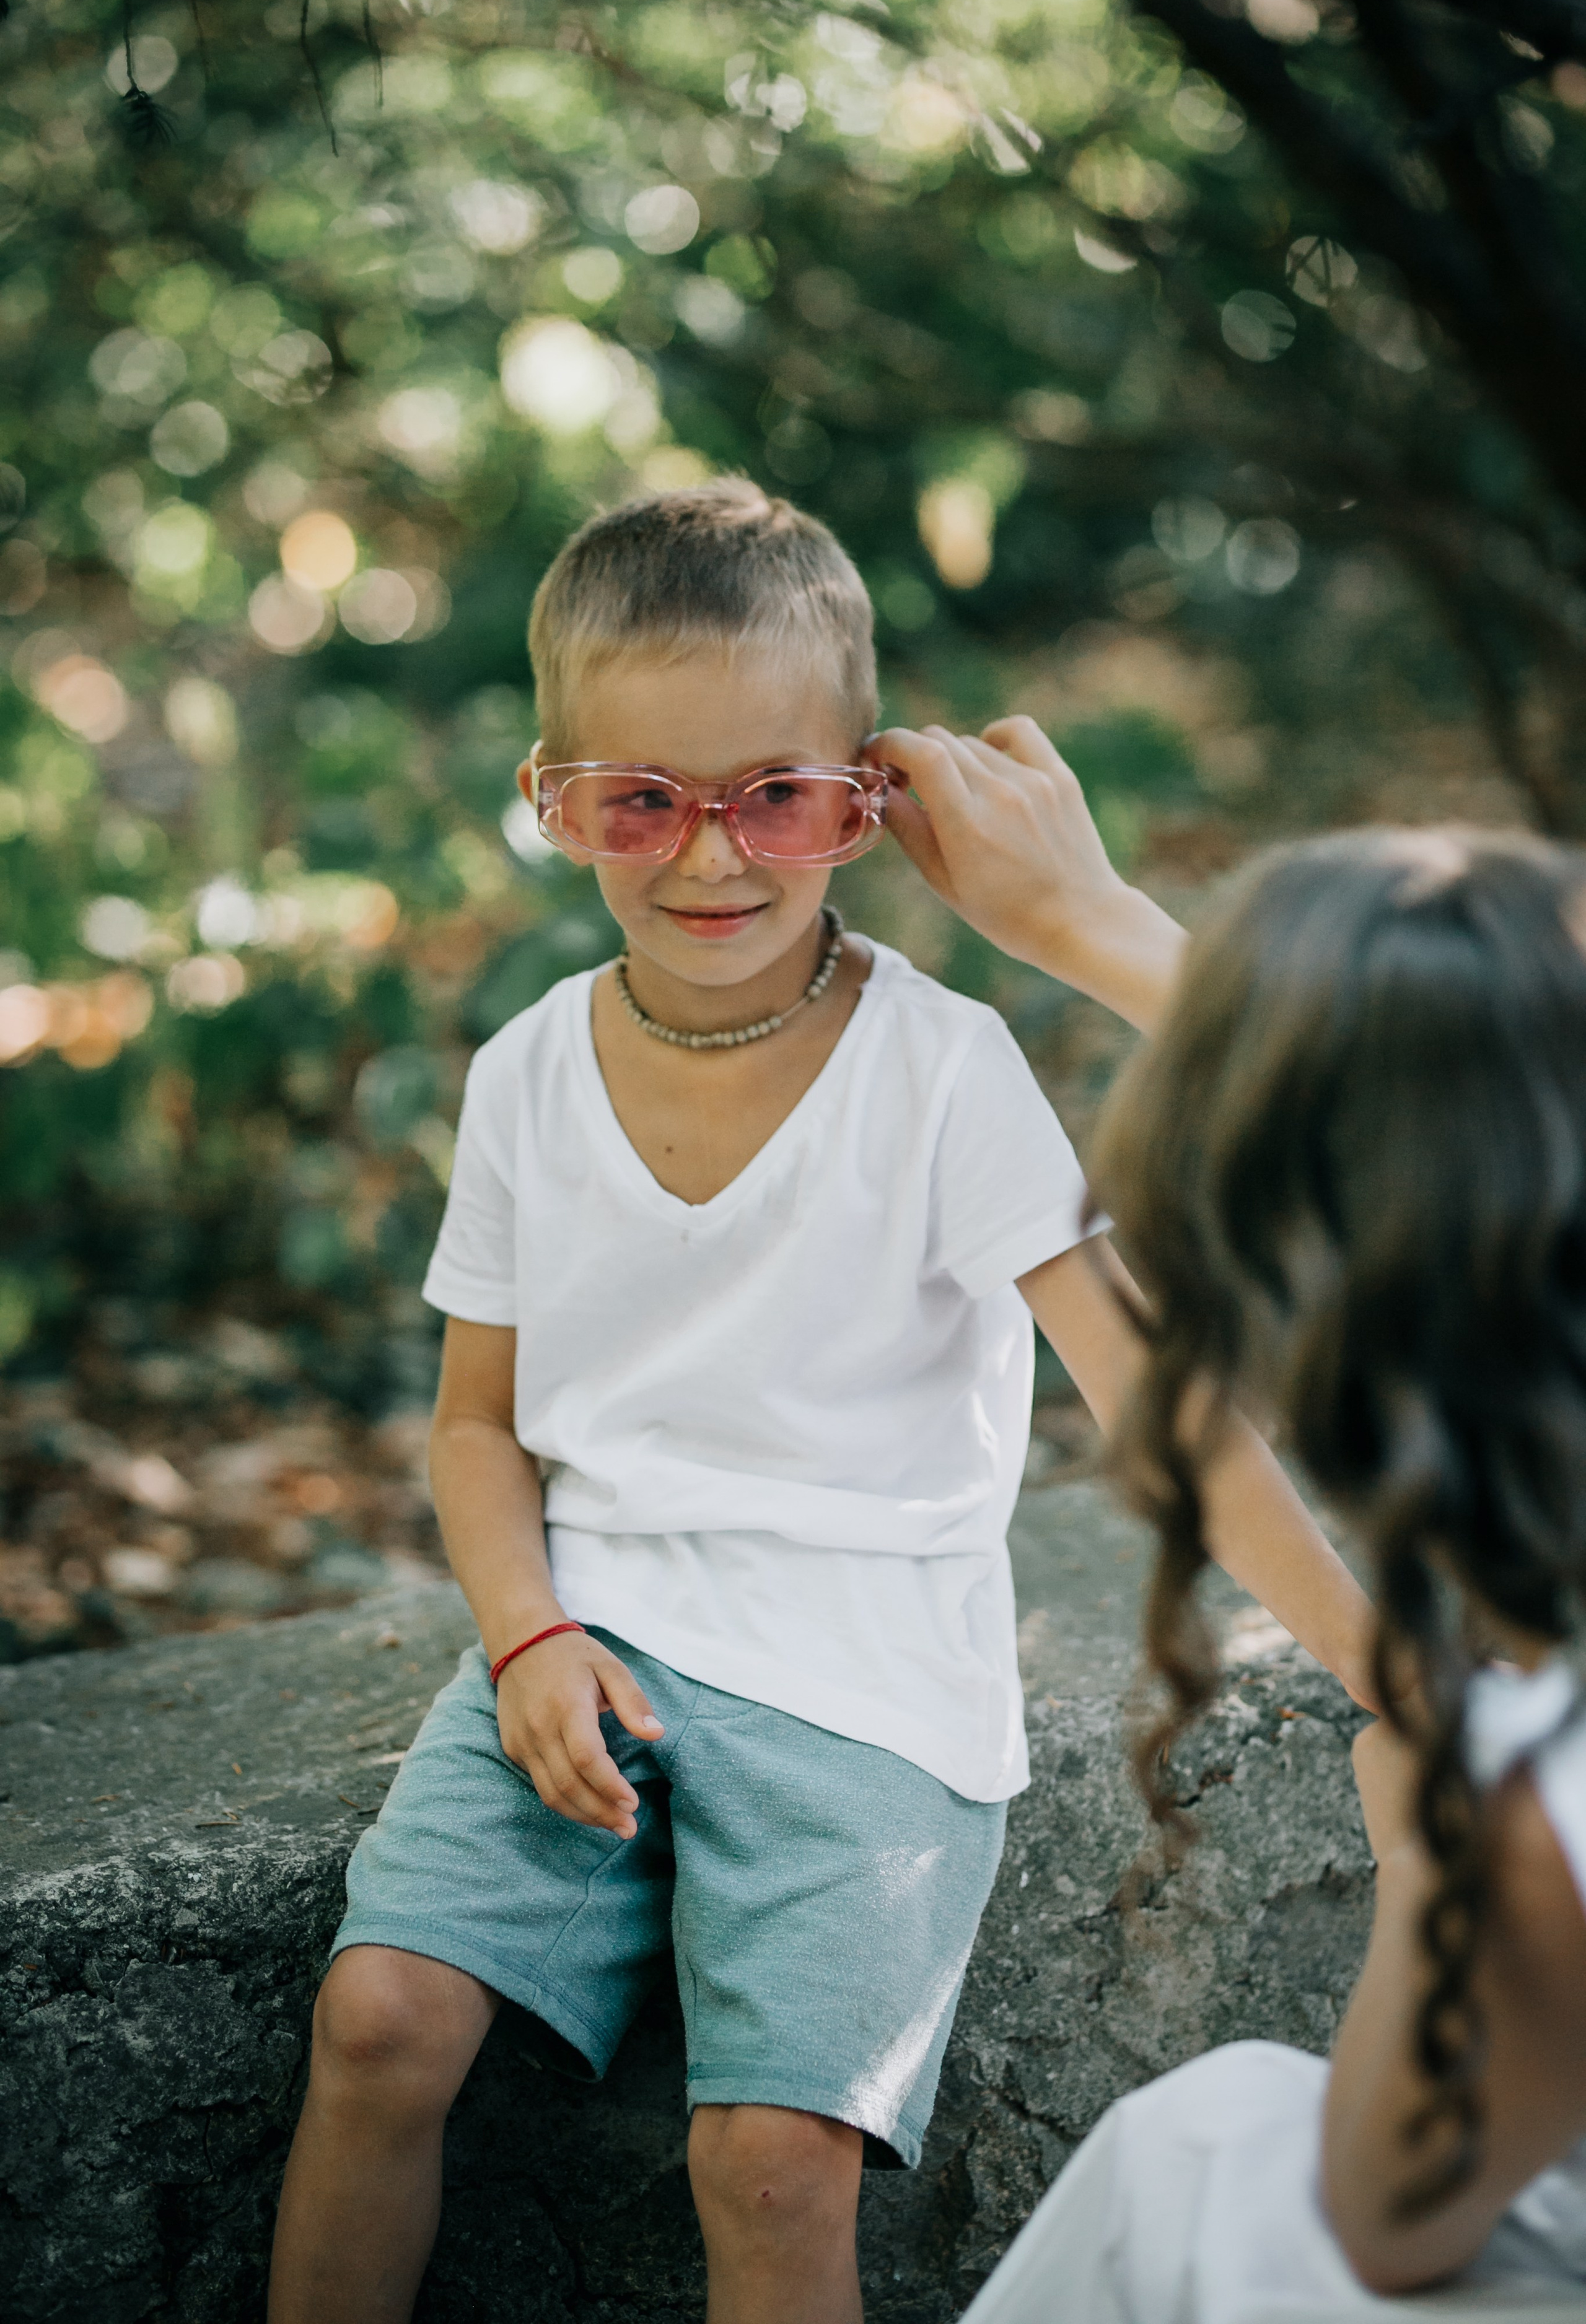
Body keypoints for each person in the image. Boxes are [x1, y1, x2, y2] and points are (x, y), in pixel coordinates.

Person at [268, 487, 1373, 2324]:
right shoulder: (529, 1074)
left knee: (774, 2163)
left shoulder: (943, 1073)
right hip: (589, 1645)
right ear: (553, 798)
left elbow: (1149, 1397)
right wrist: (526, 1635)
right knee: (376, 2018)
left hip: (866, 1681)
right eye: (642, 799)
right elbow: (478, 1427)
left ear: (871, 797)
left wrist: (1371, 1656)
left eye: (776, 794)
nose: (712, 858)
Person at [867, 723, 1586, 2312]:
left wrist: (1424, 1850)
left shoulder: (1540, 1816)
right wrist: (1082, 919)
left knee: (1202, 2150)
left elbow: (1390, 2213)